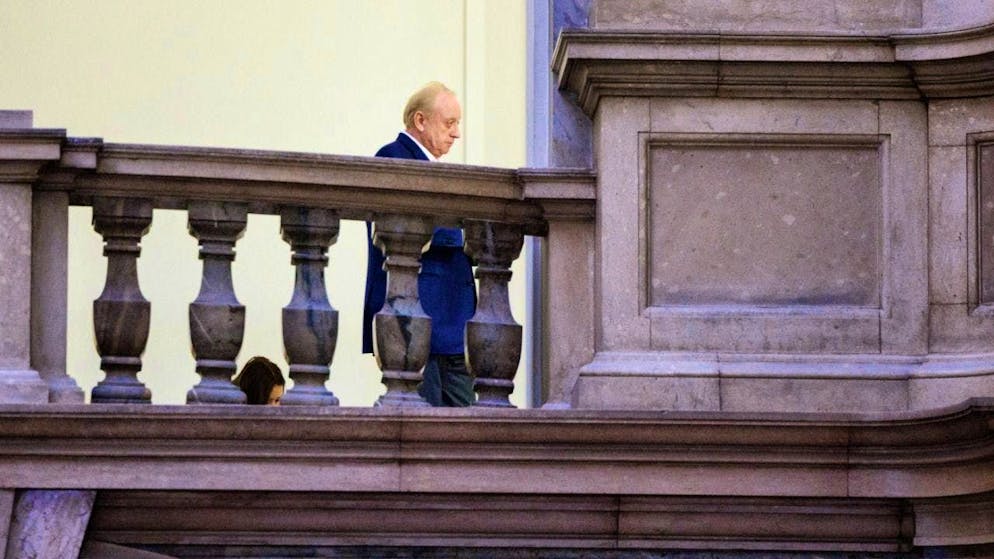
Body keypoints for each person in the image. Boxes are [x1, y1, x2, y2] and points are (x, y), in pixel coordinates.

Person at [362, 81, 476, 407]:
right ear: (421, 121)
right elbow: (394, 229)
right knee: (426, 433)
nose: (456, 134)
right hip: (419, 324)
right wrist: (462, 233)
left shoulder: (428, 166)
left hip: (449, 327)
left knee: (464, 434)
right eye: (449, 123)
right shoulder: (392, 157)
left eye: (458, 124)